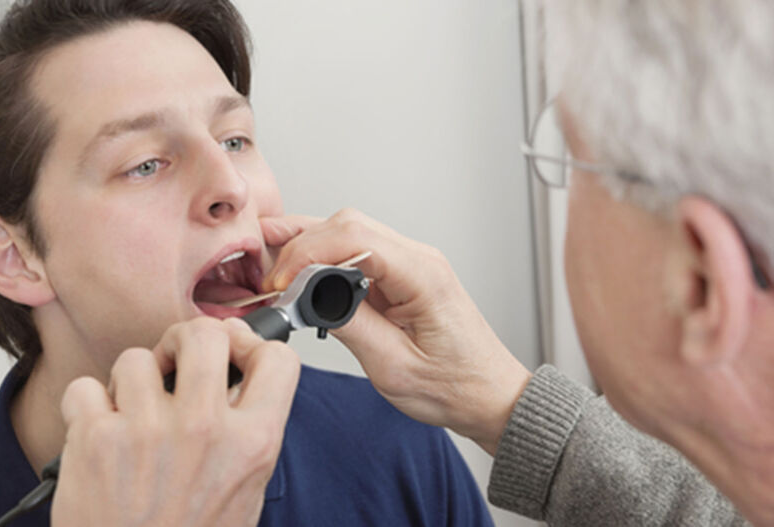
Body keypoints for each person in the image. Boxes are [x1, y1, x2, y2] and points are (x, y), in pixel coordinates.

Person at [0, 1, 494, 526]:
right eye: (145, 164)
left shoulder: (395, 448)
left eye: (235, 140)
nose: (231, 187)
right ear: (15, 258)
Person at [260, 0, 773, 525]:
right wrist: (497, 400)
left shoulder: (394, 446)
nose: (229, 189)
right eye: (164, 163)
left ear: (699, 284)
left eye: (572, 161)